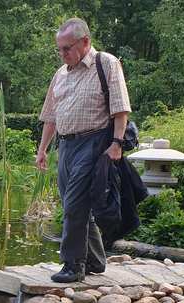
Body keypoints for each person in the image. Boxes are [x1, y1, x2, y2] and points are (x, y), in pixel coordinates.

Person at [36, 17, 131, 283]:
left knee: (75, 205)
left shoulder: (107, 64)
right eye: (60, 49)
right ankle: (96, 260)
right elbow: (50, 116)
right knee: (72, 203)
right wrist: (42, 149)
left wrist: (117, 144)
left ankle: (73, 264)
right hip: (66, 145)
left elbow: (121, 108)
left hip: (94, 142)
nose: (62, 53)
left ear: (85, 42)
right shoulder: (60, 74)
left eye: (67, 48)